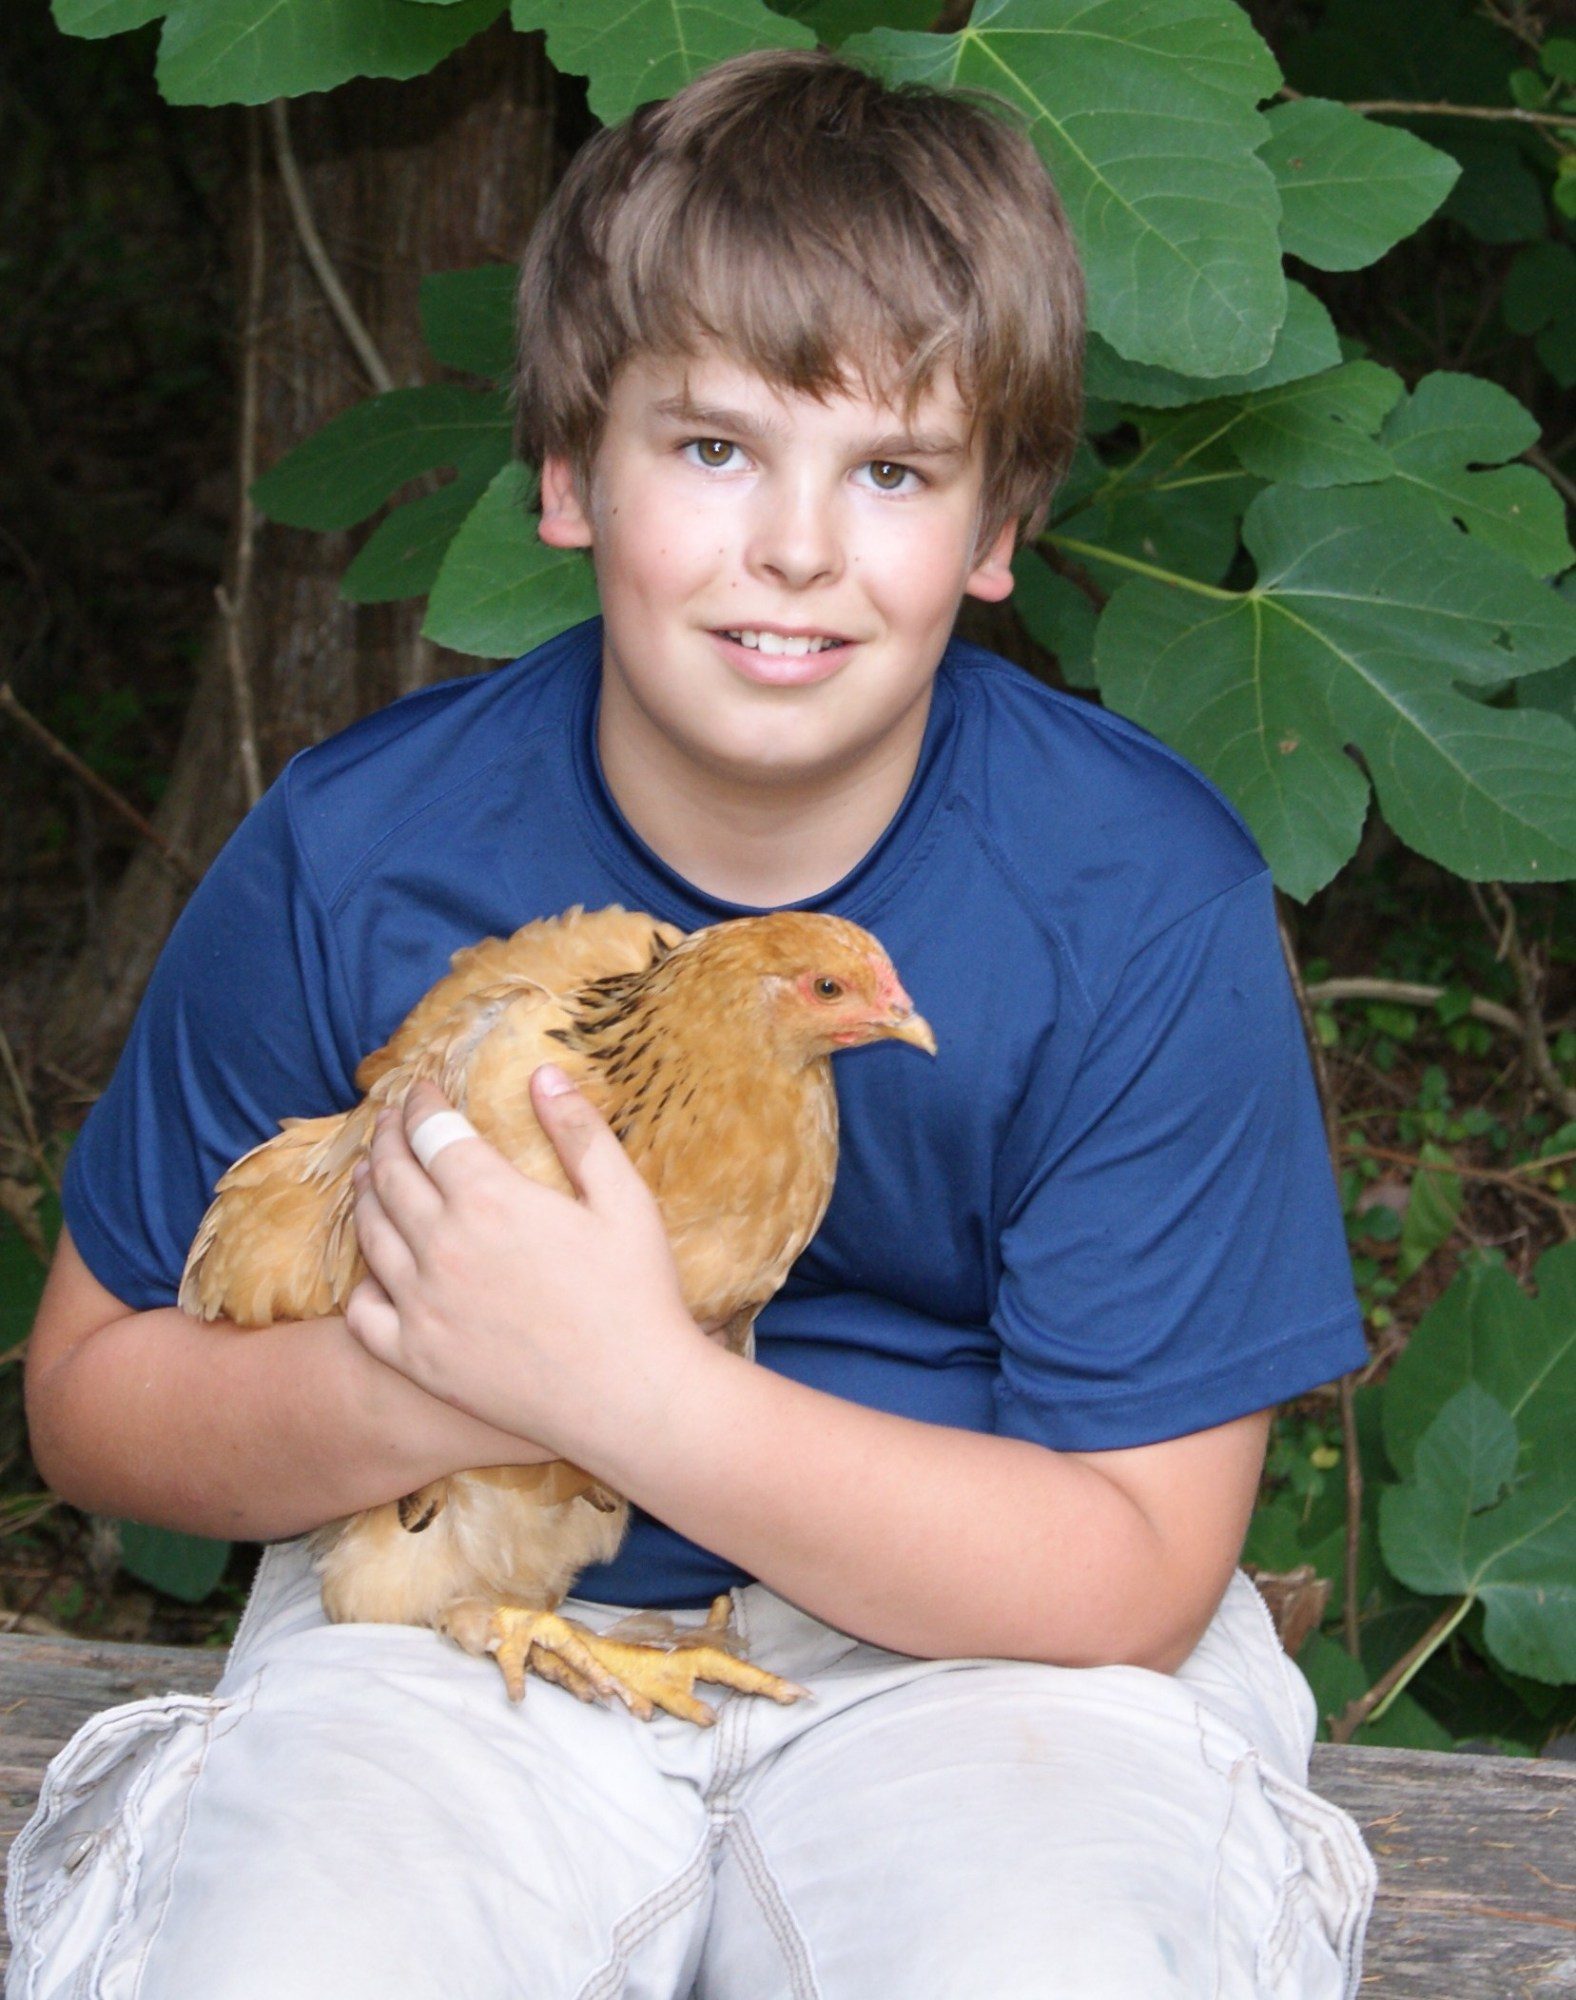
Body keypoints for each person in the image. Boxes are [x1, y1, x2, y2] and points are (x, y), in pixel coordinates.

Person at [9, 48, 1377, 2000]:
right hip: (452, 1602)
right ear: (567, 470)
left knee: (1044, 1960)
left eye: (890, 469)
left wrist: (627, 1386)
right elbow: (94, 1396)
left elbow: (1131, 1566)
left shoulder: (1129, 890)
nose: (795, 546)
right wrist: (455, 1387)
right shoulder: (359, 846)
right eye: (712, 447)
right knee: (291, 1950)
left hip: (989, 1667)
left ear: (993, 527)